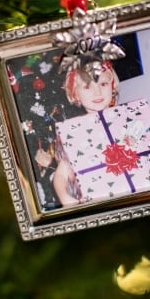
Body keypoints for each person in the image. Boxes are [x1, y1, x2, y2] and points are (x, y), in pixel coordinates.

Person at [52, 62, 120, 206]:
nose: (97, 93)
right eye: (88, 87)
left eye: (103, 84)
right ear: (75, 94)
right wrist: (65, 197)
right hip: (96, 200)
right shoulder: (73, 133)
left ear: (112, 87)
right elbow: (61, 174)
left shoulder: (127, 121)